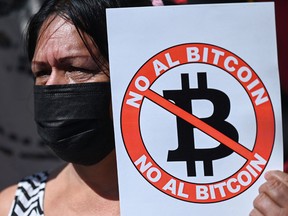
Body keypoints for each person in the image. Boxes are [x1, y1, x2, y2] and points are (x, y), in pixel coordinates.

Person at [0, 0, 287, 215]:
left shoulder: (240, 203)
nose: (51, 85)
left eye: (74, 68)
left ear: (132, 74)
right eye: (40, 72)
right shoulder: (11, 206)